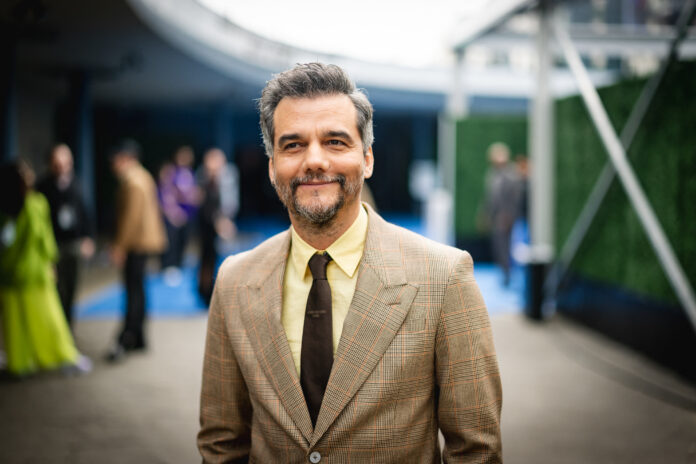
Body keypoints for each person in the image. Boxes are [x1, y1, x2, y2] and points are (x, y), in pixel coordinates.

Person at [198, 63, 502, 463]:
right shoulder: (235, 280)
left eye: (335, 142)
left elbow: (476, 450)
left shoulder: (443, 277)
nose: (314, 160)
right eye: (293, 145)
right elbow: (221, 443)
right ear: (272, 167)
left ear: (367, 159)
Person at [0, 162, 91, 377]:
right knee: (49, 318)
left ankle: (19, 363)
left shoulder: (5, 209)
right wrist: (51, 261)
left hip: (9, 275)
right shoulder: (35, 203)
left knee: (15, 324)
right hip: (34, 274)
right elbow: (44, 238)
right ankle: (60, 356)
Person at [107, 139, 167, 362]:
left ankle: (128, 336)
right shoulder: (142, 176)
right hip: (143, 241)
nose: (113, 165)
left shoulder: (132, 181)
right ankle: (139, 336)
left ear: (125, 159)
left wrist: (119, 246)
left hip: (136, 243)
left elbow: (130, 219)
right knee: (139, 289)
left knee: (133, 290)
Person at [36, 143, 95, 328]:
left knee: (71, 287)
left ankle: (68, 329)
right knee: (55, 289)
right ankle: (56, 328)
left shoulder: (76, 183)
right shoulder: (43, 186)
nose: (62, 165)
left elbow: (84, 212)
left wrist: (88, 237)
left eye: (65, 161)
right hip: (53, 244)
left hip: (74, 243)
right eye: (58, 161)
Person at [195, 147, 239, 306]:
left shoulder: (228, 175)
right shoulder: (202, 175)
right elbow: (199, 201)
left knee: (225, 257)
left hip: (221, 220)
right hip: (205, 222)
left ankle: (222, 291)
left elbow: (231, 200)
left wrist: (224, 219)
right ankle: (205, 291)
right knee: (206, 257)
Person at [482, 142, 522, 287]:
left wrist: (508, 215)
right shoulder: (492, 174)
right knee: (499, 247)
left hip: (506, 217)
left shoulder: (511, 174)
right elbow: (490, 197)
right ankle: (504, 272)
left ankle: (508, 274)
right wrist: (486, 214)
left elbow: (514, 198)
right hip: (496, 217)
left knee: (506, 247)